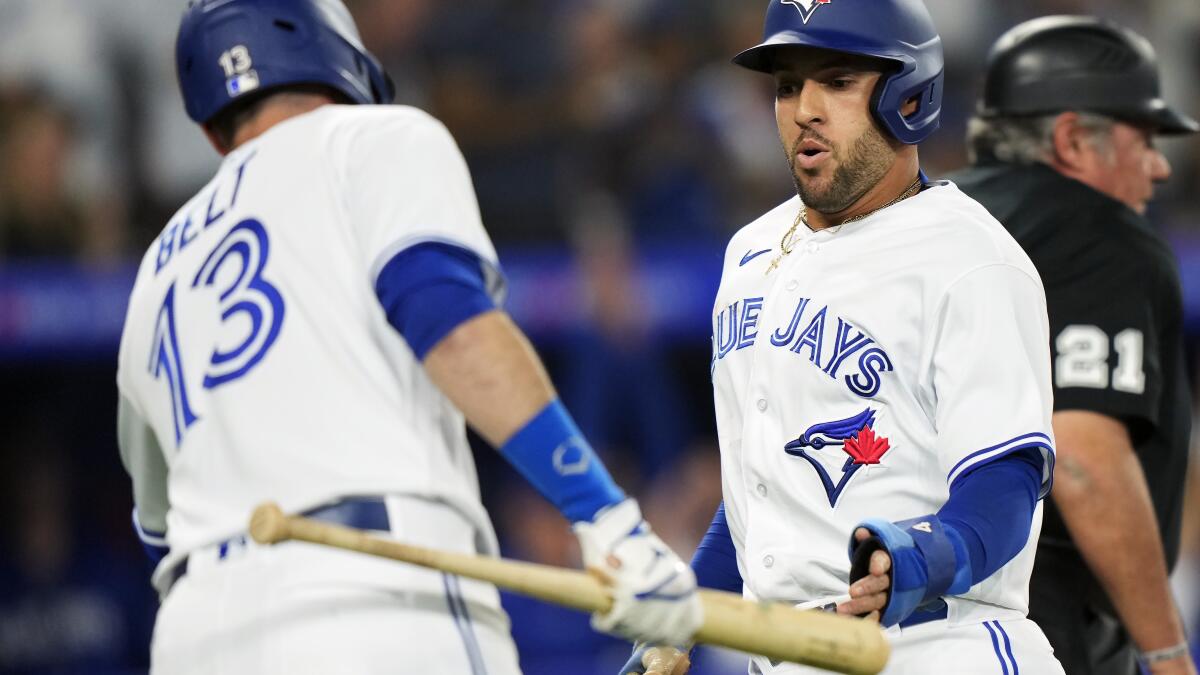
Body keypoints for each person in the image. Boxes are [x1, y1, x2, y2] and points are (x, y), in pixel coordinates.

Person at [114, 1, 703, 673]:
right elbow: (451, 328)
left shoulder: (156, 267)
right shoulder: (372, 138)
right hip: (376, 593)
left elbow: (158, 525)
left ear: (211, 124)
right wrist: (607, 518)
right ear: (340, 54)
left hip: (196, 635)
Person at [623, 1, 1065, 673]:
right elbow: (758, 494)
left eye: (834, 79)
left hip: (933, 645)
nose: (803, 108)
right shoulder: (750, 251)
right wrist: (688, 615)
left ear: (908, 97)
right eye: (786, 85)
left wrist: (924, 554)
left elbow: (1007, 482)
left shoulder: (971, 258)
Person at [948, 16, 1199, 675]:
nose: (1161, 166)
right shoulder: (1104, 234)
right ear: (1071, 138)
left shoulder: (925, 217)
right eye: (1143, 139)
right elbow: (1084, 459)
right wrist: (1170, 655)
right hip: (1035, 624)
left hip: (887, 609)